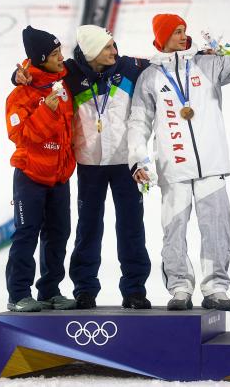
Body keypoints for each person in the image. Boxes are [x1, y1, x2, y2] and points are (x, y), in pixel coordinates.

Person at [128, 14, 230, 311]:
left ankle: (216, 287)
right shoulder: (149, 77)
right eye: (177, 32)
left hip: (211, 166)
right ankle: (179, 288)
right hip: (173, 168)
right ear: (162, 37)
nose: (183, 35)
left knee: (217, 228)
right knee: (173, 231)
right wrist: (138, 160)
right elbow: (138, 121)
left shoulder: (207, 63)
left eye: (183, 30)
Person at [14, 25, 152, 310]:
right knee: (88, 230)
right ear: (91, 52)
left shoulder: (128, 67)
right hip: (89, 165)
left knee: (131, 228)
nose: (115, 51)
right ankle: (85, 289)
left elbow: (165, 63)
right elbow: (39, 72)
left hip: (125, 163)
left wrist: (199, 54)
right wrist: (17, 76)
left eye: (114, 45)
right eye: (108, 47)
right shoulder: (70, 73)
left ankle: (134, 289)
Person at [4, 26, 76, 312]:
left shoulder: (64, 82)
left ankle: (49, 290)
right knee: (26, 234)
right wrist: (46, 109)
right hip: (30, 176)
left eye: (61, 52)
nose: (62, 58)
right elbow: (20, 136)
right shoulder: (19, 96)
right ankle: (18, 294)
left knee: (58, 233)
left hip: (59, 176)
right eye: (56, 54)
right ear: (41, 57)